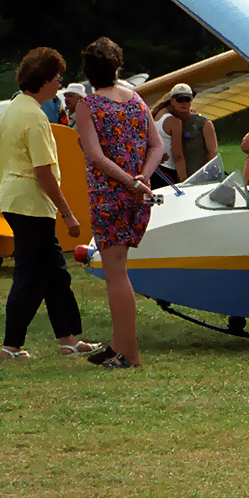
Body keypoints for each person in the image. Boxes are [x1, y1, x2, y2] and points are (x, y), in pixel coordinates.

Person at [0, 47, 100, 362]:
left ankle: (68, 339)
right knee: (30, 275)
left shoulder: (15, 107)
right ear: (43, 81)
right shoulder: (35, 117)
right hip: (32, 204)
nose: (59, 85)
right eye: (56, 79)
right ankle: (10, 346)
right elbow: (43, 171)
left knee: (56, 273)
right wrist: (68, 213)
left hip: (15, 199)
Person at [74, 37, 164, 369]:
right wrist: (142, 178)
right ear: (117, 67)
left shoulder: (88, 106)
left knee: (116, 274)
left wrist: (128, 181)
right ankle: (117, 344)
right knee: (119, 268)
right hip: (138, 197)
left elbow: (95, 157)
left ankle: (130, 353)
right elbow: (157, 147)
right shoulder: (137, 101)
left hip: (109, 197)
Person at [156, 83, 217, 182]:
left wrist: (209, 176)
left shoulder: (204, 123)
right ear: (172, 101)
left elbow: (213, 153)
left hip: (201, 178)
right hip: (178, 179)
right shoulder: (171, 122)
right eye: (180, 100)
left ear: (191, 101)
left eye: (187, 99)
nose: (183, 103)